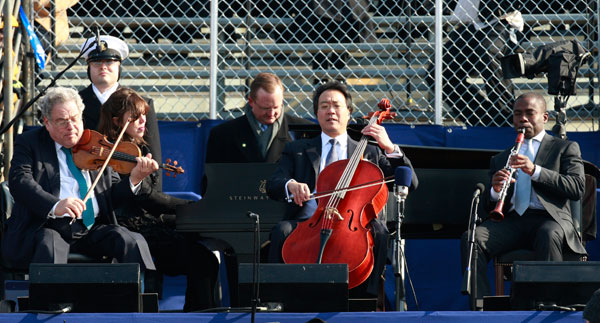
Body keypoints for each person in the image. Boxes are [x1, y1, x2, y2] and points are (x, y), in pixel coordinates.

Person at [266, 80, 418, 299]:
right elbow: (274, 183)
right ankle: (277, 301)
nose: (331, 111)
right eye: (324, 106)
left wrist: (389, 147)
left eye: (336, 105)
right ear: (316, 113)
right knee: (281, 231)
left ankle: (369, 299)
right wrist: (290, 184)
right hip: (310, 221)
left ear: (348, 112)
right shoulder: (297, 149)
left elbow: (409, 182)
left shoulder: (372, 153)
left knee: (380, 232)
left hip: (353, 224)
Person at [1, 87, 157, 278]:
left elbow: (111, 197)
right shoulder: (30, 143)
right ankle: (51, 305)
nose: (71, 126)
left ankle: (140, 300)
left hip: (92, 227)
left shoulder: (97, 144)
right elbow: (20, 181)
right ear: (47, 123)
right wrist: (55, 205)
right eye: (62, 121)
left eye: (75, 119)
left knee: (131, 240)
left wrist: (134, 179)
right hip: (50, 226)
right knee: (49, 243)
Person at [96, 87, 219, 311]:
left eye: (144, 115)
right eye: (135, 117)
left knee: (203, 253)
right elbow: (134, 197)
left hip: (147, 224)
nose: (143, 121)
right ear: (116, 121)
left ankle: (199, 315)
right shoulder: (105, 153)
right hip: (123, 228)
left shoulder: (140, 150)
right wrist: (188, 206)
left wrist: (194, 210)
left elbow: (150, 197)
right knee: (202, 260)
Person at [460, 92, 586, 300]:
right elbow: (488, 208)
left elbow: (576, 187)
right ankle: (479, 307)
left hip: (549, 219)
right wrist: (495, 190)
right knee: (472, 238)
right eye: (518, 114)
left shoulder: (564, 148)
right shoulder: (502, 157)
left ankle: (548, 304)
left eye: (530, 113)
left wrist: (535, 170)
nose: (523, 119)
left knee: (548, 233)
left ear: (544, 118)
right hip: (513, 220)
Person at [78, 35, 163, 188]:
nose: (103, 67)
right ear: (88, 67)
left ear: (119, 67)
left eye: (110, 62)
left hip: (131, 188)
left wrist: (154, 199)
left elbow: (153, 154)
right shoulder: (75, 104)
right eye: (97, 62)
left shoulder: (142, 104)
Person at [432, 0, 524, 126]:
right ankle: (485, 122)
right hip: (471, 24)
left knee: (487, 53)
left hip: (503, 20)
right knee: (436, 73)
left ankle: (508, 116)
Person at [205, 72, 313, 164]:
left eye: (276, 107)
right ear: (251, 102)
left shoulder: (304, 131)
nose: (271, 114)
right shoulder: (223, 135)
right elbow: (214, 179)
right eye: (265, 108)